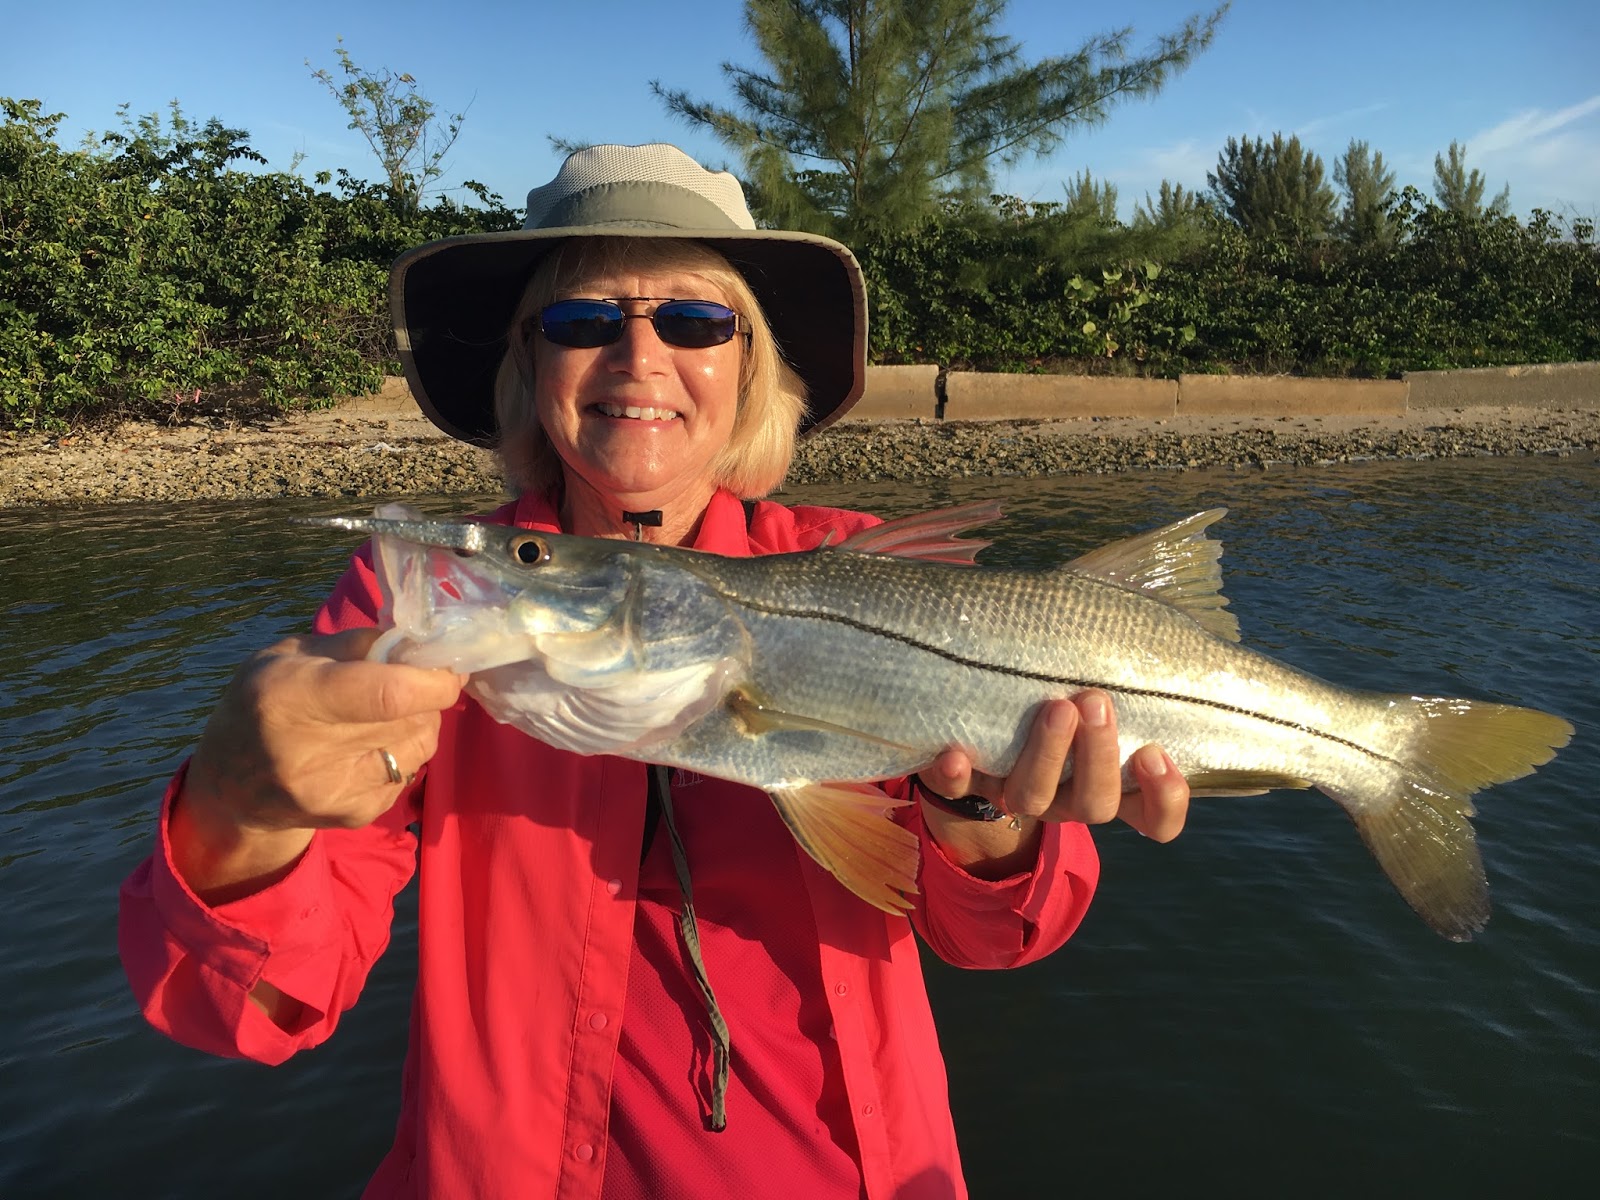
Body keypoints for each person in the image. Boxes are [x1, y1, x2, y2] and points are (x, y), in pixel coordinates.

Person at [120, 144, 1190, 1199]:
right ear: (528, 364)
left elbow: (998, 938)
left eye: (694, 321)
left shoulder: (865, 567)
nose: (637, 359)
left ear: (748, 366)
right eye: (582, 322)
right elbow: (249, 1007)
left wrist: (981, 814)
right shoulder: (437, 599)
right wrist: (240, 813)